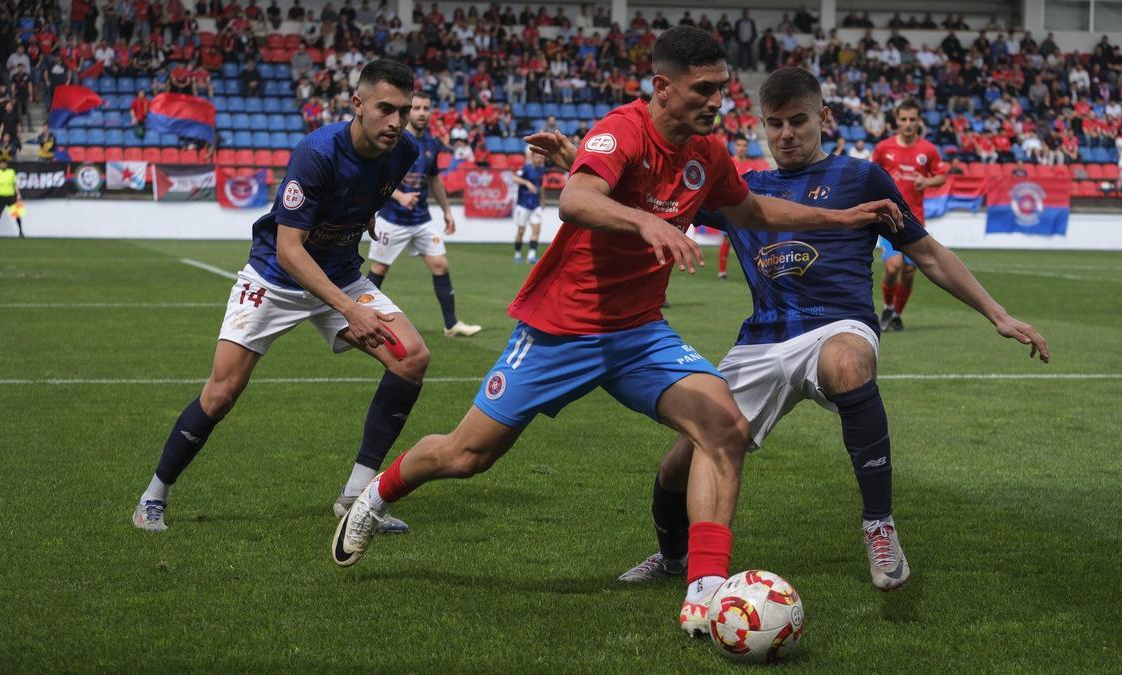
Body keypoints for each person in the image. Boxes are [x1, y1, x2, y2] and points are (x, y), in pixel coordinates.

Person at [330, 27, 901, 639]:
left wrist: (839, 218)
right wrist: (645, 223)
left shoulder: (707, 153)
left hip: (640, 333)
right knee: (467, 455)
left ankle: (704, 593)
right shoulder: (622, 128)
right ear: (662, 87)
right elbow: (577, 198)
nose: (717, 101)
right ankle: (376, 496)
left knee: (724, 430)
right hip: (560, 329)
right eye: (703, 89)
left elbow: (752, 210)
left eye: (722, 88)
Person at [592, 67, 1047, 593]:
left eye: (799, 121)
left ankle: (879, 526)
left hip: (838, 326)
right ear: (763, 125)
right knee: (683, 459)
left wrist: (998, 314)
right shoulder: (743, 190)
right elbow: (655, 197)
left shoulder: (863, 179)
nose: (786, 134)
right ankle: (673, 557)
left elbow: (927, 253)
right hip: (761, 340)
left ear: (824, 118)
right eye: (775, 124)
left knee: (847, 362)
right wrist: (580, 167)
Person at [132, 60, 430, 535]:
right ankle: (153, 495)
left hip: (339, 275)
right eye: (385, 109)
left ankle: (356, 498)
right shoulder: (317, 152)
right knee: (221, 393)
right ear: (357, 104)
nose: (396, 121)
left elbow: (371, 188)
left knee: (411, 358)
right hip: (275, 278)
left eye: (404, 110)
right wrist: (348, 309)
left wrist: (366, 214)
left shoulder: (405, 150)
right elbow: (290, 251)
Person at [365, 90, 482, 338]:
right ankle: (361, 317)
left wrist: (447, 211)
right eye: (416, 108)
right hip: (393, 219)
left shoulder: (432, 144)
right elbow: (377, 176)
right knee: (379, 268)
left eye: (426, 109)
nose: (421, 113)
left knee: (440, 264)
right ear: (408, 111)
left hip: (421, 219)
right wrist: (399, 196)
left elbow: (434, 179)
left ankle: (451, 325)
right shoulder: (393, 140)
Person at [871, 99, 945, 332]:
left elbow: (941, 176)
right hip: (889, 219)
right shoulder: (884, 148)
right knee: (893, 267)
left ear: (919, 120)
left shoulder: (928, 150)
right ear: (897, 120)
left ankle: (896, 315)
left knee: (910, 271)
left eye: (912, 119)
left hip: (915, 219)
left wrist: (927, 181)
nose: (908, 123)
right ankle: (887, 307)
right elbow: (871, 175)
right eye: (903, 119)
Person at [718, 137, 752, 280]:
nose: (741, 148)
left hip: (748, 208)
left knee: (750, 241)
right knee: (727, 238)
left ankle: (753, 271)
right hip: (730, 206)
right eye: (739, 145)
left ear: (747, 147)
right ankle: (722, 271)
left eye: (744, 145)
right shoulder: (728, 163)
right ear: (734, 147)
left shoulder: (752, 166)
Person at [510, 148, 546, 264]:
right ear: (533, 157)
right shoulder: (526, 168)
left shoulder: (541, 170)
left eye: (542, 157)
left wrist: (542, 200)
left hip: (535, 205)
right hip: (523, 204)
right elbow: (514, 178)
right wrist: (526, 183)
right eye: (538, 157)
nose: (540, 159)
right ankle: (517, 254)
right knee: (521, 231)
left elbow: (540, 186)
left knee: (536, 230)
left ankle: (531, 256)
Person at [0, 156, 23, 237]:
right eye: (1, 164)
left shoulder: (11, 172)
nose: (3, 165)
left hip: (11, 196)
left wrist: (18, 194)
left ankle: (21, 232)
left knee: (17, 214)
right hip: (0, 196)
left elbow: (15, 184)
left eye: (4, 164)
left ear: (7, 164)